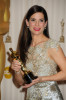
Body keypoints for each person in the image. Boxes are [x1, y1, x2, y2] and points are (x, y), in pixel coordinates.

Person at [11, 5, 66, 100]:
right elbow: (20, 83)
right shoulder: (24, 48)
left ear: (45, 24)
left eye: (41, 20)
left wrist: (41, 79)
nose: (37, 24)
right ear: (27, 23)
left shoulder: (52, 45)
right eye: (33, 20)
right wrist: (16, 71)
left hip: (50, 97)